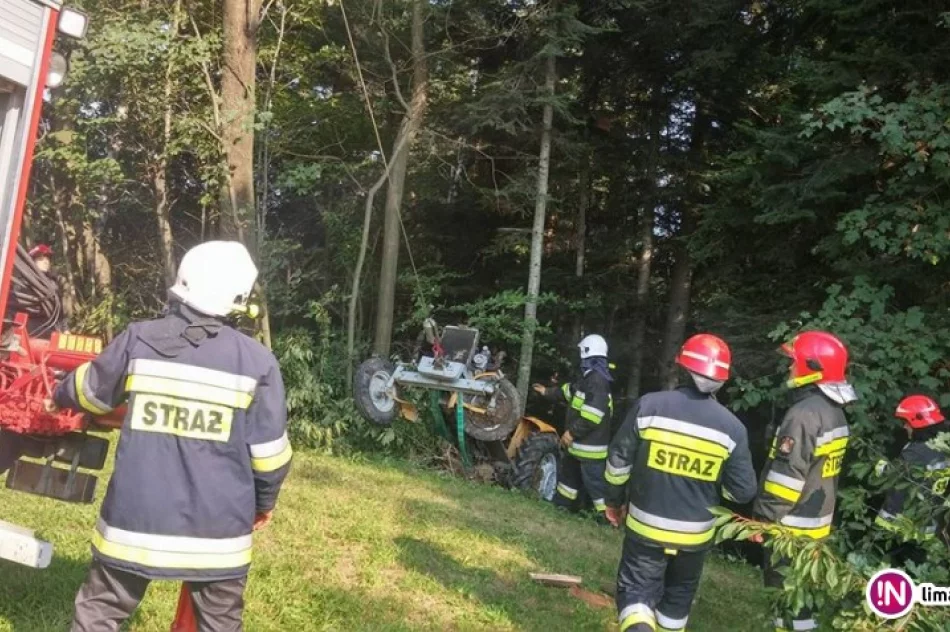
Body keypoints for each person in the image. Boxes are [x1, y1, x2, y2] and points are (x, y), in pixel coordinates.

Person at [50, 241, 292, 632]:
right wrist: (262, 505)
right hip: (219, 535)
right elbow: (269, 456)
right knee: (219, 623)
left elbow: (91, 393)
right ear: (239, 298)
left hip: (134, 524)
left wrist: (58, 389)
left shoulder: (138, 339)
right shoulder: (258, 363)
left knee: (100, 612)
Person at [604, 334, 757, 632]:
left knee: (635, 595)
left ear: (683, 368)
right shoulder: (732, 429)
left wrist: (613, 500)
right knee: (676, 604)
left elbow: (618, 463)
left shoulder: (649, 407)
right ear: (722, 380)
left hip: (645, 530)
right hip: (695, 538)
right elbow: (742, 491)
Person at [752, 331, 856, 632]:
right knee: (804, 599)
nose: (788, 368)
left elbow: (787, 478)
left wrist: (764, 520)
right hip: (817, 527)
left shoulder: (803, 415)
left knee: (783, 598)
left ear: (811, 367)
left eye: (792, 362)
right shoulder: (835, 413)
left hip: (790, 528)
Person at [533, 334, 614, 519]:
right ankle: (561, 508)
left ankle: (605, 519)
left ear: (587, 353)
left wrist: (571, 433)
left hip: (590, 449)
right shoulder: (586, 379)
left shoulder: (598, 381)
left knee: (596, 486)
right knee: (568, 481)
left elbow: (592, 416)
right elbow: (567, 392)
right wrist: (546, 392)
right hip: (576, 447)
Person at [875, 395, 950, 543]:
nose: (904, 427)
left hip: (901, 526)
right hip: (930, 523)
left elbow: (892, 475)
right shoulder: (944, 443)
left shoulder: (917, 451)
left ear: (917, 423)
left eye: (906, 422)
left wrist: (881, 466)